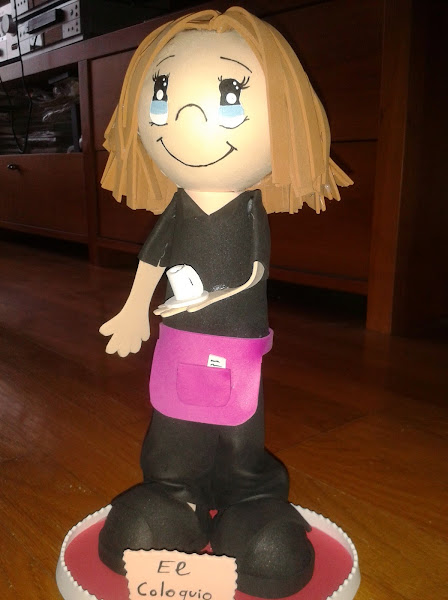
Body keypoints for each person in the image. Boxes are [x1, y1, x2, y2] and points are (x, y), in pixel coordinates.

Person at [98, 7, 352, 598]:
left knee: (240, 423)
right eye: (161, 96)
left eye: (229, 99)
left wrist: (203, 299)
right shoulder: (180, 208)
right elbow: (152, 258)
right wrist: (136, 309)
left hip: (237, 344)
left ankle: (249, 497)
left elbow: (254, 274)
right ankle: (172, 493)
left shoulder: (248, 211)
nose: (185, 121)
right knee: (173, 420)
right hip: (178, 343)